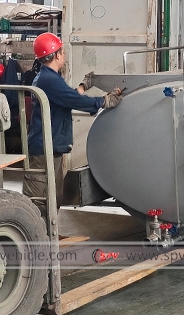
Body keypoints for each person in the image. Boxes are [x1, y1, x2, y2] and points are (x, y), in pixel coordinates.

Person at [25, 32, 122, 216]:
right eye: (62, 52)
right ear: (57, 55)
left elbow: (66, 96)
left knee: (54, 196)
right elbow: (72, 100)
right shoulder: (49, 80)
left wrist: (83, 86)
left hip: (51, 146)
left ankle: (46, 234)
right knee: (39, 200)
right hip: (43, 149)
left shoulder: (48, 77)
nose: (64, 55)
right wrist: (103, 101)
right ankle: (34, 237)